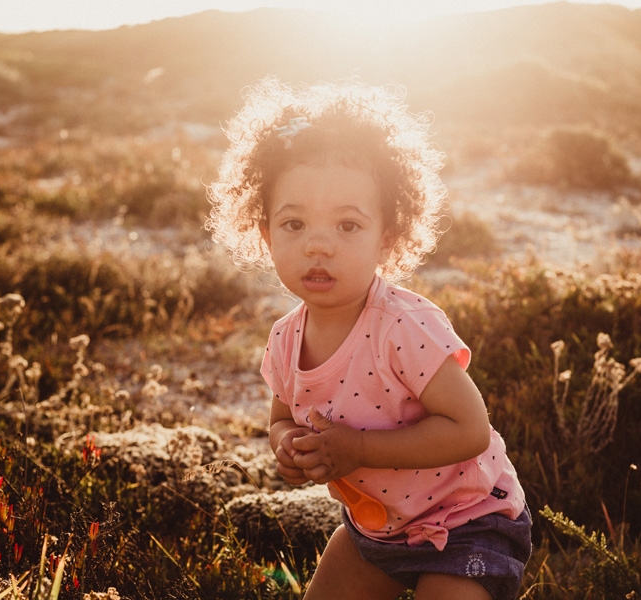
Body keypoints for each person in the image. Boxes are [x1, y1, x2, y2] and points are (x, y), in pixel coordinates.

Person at [207, 79, 531, 600]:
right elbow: (281, 417)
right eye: (294, 223)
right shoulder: (286, 340)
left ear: (387, 235)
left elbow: (470, 429)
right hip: (375, 532)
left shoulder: (403, 327)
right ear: (266, 235)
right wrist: (289, 447)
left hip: (468, 520)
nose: (318, 245)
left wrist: (357, 449)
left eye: (348, 226)